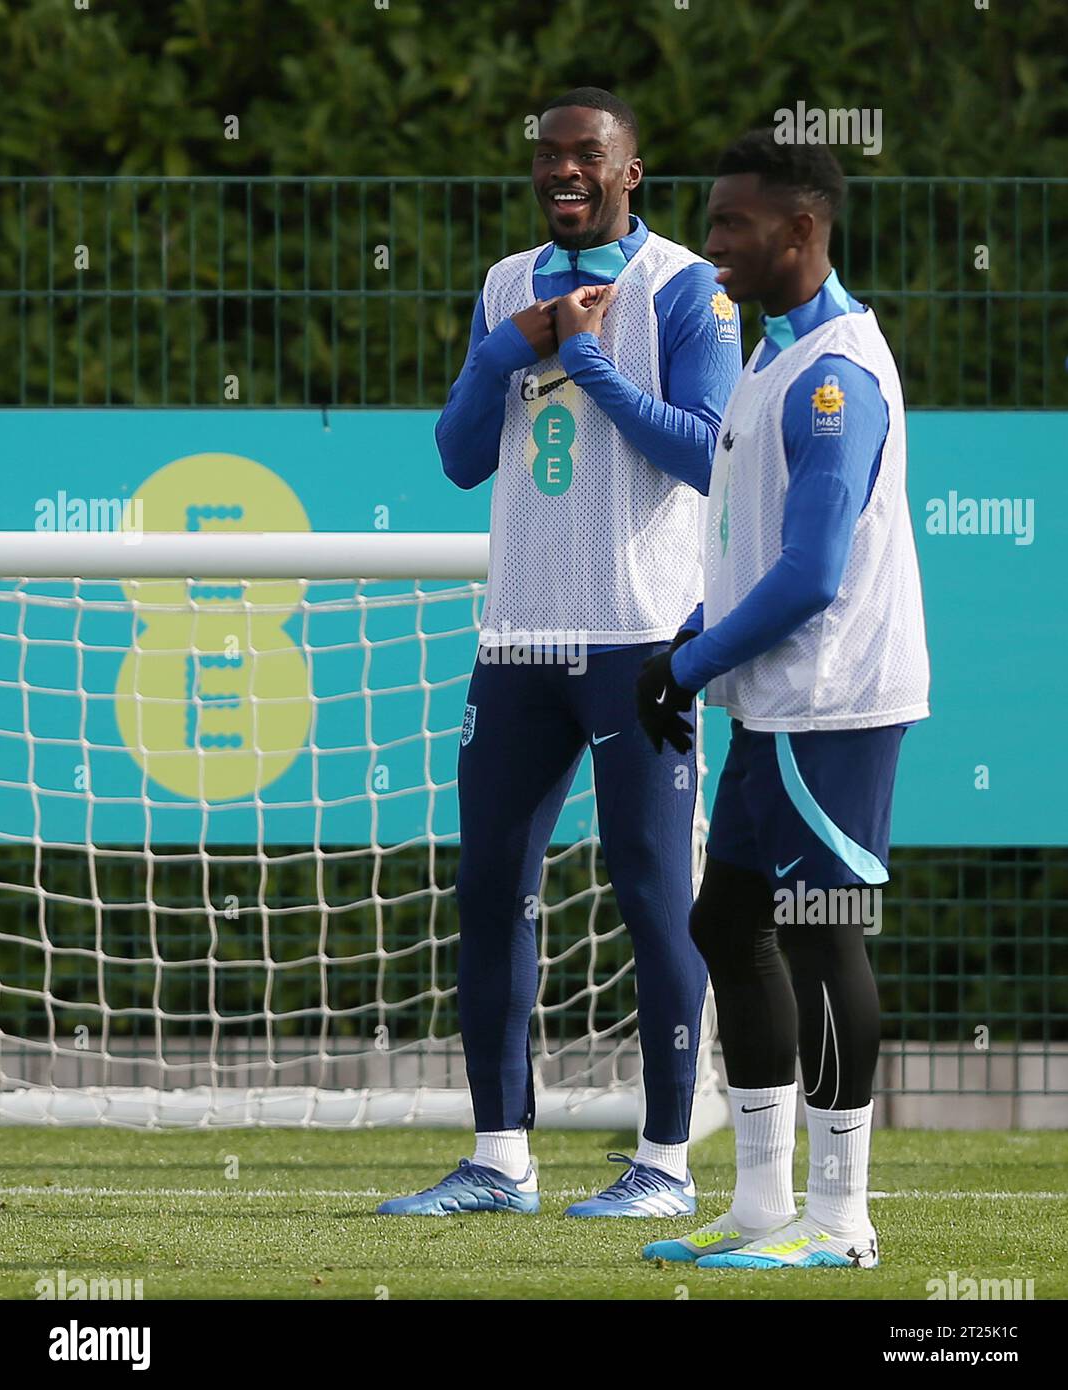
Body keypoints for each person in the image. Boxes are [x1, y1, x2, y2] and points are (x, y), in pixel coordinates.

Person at [377, 87, 740, 1218]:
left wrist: (582, 360)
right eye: (549, 156)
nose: (563, 171)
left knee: (651, 891)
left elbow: (704, 454)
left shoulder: (687, 287)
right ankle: (499, 1159)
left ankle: (667, 1168)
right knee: (489, 889)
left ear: (633, 170)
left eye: (587, 155)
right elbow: (454, 457)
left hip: (639, 639)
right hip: (518, 637)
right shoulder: (504, 283)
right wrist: (509, 348)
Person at [639, 129, 929, 1267]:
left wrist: (689, 665)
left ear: (801, 230)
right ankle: (764, 1203)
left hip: (832, 701)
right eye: (708, 223)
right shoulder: (770, 357)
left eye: (732, 227)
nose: (711, 248)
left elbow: (811, 578)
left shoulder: (834, 378)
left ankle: (841, 1218)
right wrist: (697, 642)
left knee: (819, 938)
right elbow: (761, 551)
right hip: (773, 699)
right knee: (728, 922)